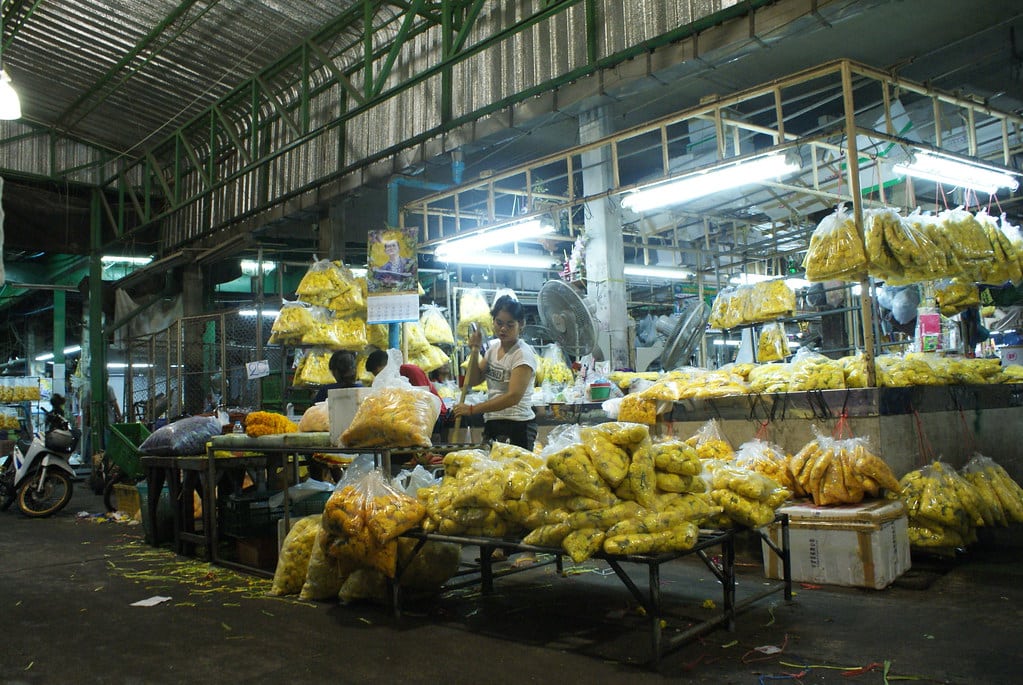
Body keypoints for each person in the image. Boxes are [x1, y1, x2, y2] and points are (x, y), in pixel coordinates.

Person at [451, 294, 537, 450]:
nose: (503, 329)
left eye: (510, 324)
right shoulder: (493, 349)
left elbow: (513, 397)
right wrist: (475, 350)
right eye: (499, 323)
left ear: (521, 324)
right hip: (493, 422)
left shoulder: (522, 354)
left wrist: (472, 409)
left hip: (518, 425)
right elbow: (474, 380)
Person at [365, 348, 447, 427]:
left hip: (435, 415)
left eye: (379, 373)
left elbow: (423, 400)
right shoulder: (390, 380)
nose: (379, 377)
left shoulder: (411, 371)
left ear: (387, 365)